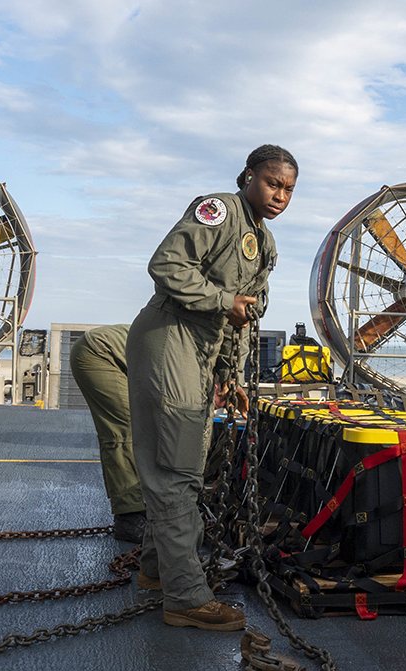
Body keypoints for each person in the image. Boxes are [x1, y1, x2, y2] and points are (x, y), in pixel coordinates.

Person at [127, 144, 297, 631]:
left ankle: (157, 571)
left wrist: (229, 375)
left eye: (288, 189)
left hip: (202, 350)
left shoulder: (264, 242)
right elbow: (166, 265)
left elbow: (240, 317)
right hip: (171, 337)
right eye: (272, 183)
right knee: (176, 471)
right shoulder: (219, 211)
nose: (280, 195)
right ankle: (184, 597)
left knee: (186, 463)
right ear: (248, 177)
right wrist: (224, 300)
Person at [69, 324, 146, 542]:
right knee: (124, 431)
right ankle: (129, 517)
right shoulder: (193, 365)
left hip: (113, 355)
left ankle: (140, 504)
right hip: (98, 354)